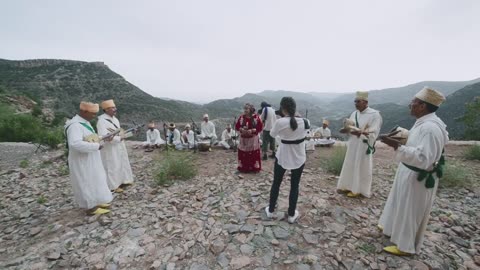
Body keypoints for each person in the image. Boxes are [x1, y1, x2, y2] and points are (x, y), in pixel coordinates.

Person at [378, 87, 448, 256]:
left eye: (414, 102)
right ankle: (392, 230)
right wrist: (400, 138)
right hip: (408, 171)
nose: (410, 104)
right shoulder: (424, 122)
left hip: (417, 177)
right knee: (401, 204)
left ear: (422, 106)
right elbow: (417, 144)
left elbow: (424, 158)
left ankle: (405, 246)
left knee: (410, 210)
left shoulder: (430, 128)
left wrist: (395, 145)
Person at [64, 102, 113, 215]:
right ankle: (90, 207)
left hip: (90, 158)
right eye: (93, 114)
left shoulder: (85, 123)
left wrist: (103, 138)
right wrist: (97, 146)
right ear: (84, 112)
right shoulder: (75, 125)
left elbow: (89, 138)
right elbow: (75, 144)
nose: (94, 116)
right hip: (82, 160)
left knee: (94, 179)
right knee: (86, 181)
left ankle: (97, 201)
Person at [265, 97, 308, 223]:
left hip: (282, 157)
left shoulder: (280, 122)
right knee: (294, 186)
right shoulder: (305, 122)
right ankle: (291, 214)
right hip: (299, 157)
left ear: (283, 108)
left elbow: (272, 135)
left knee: (276, 183)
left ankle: (271, 210)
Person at [337, 91, 383, 198]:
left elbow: (375, 130)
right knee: (350, 163)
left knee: (360, 165)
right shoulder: (354, 114)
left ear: (365, 102)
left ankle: (357, 189)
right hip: (353, 143)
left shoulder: (375, 114)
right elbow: (350, 126)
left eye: (358, 101)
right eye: (355, 101)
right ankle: (347, 185)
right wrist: (347, 130)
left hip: (363, 144)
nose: (356, 104)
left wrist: (363, 132)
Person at [97, 99, 134, 193]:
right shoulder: (101, 121)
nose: (115, 109)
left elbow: (118, 132)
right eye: (112, 108)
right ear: (106, 109)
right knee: (111, 165)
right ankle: (113, 186)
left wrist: (126, 135)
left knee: (120, 163)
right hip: (110, 148)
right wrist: (119, 138)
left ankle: (123, 181)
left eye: (114, 107)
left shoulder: (115, 120)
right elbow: (105, 137)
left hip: (118, 145)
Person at [235, 103, 263, 173]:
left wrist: (253, 130)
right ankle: (244, 167)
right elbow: (237, 126)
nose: (245, 110)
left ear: (250, 109)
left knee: (253, 153)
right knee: (243, 153)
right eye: (244, 109)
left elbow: (260, 127)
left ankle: (254, 168)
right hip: (244, 139)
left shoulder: (256, 117)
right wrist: (241, 129)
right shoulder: (241, 117)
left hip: (253, 139)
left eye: (247, 109)